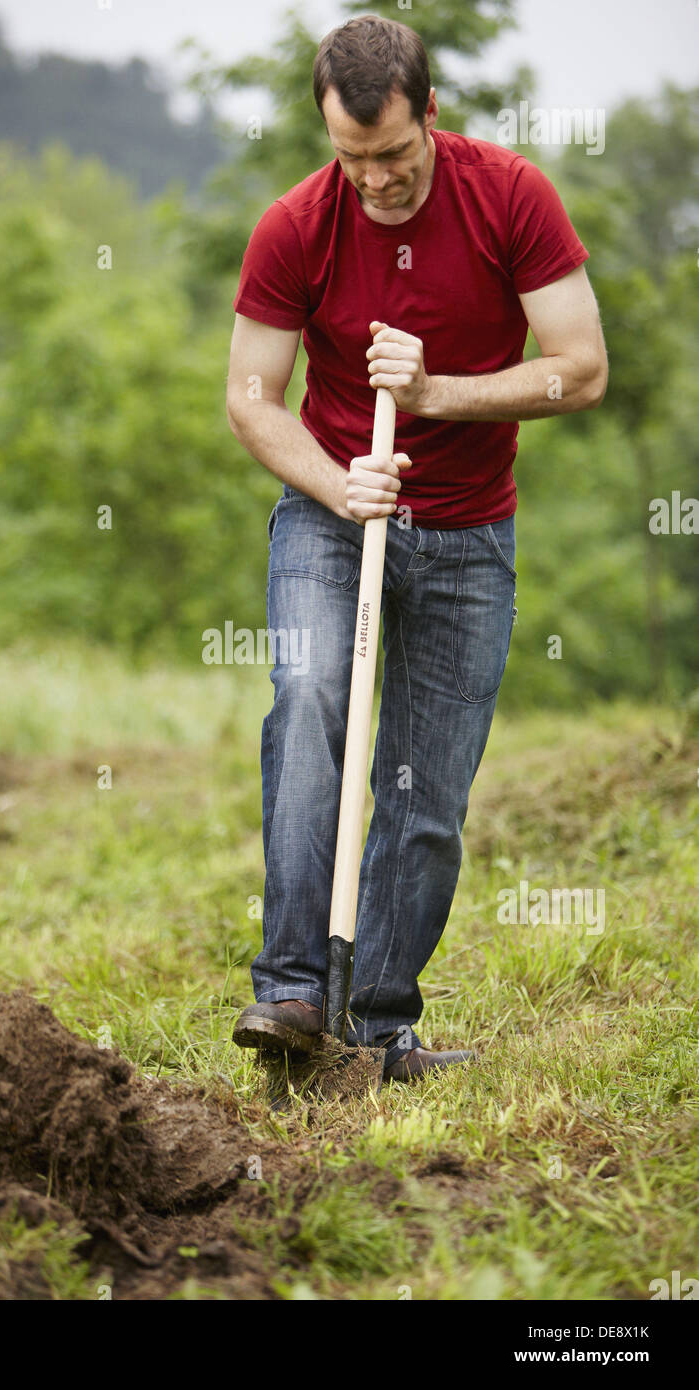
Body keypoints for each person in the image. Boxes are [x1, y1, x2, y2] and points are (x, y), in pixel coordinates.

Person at [225, 15, 607, 1082]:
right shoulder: (297, 225)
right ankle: (293, 994)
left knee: (426, 794)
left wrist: (438, 392)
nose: (377, 181)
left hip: (469, 525)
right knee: (308, 707)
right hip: (332, 510)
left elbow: (579, 368)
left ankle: (376, 1028)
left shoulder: (510, 198)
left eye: (394, 156)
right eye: (354, 160)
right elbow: (252, 401)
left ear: (430, 114)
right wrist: (339, 485)